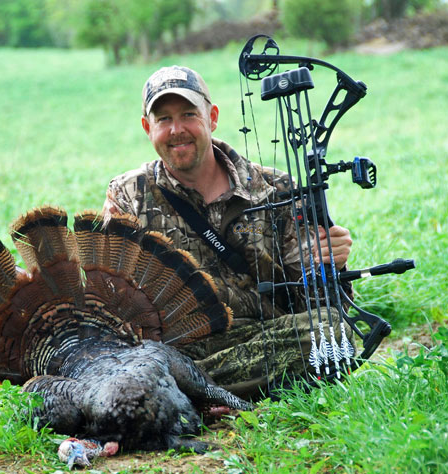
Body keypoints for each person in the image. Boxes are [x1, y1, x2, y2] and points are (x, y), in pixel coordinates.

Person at [103, 66, 353, 400]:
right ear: (148, 128)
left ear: (212, 117)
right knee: (135, 361)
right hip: (171, 350)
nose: (177, 130)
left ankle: (175, 392)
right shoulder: (127, 194)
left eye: (189, 114)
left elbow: (314, 298)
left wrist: (330, 263)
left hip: (265, 335)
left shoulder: (275, 188)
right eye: (163, 119)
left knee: (330, 330)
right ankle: (185, 387)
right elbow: (111, 303)